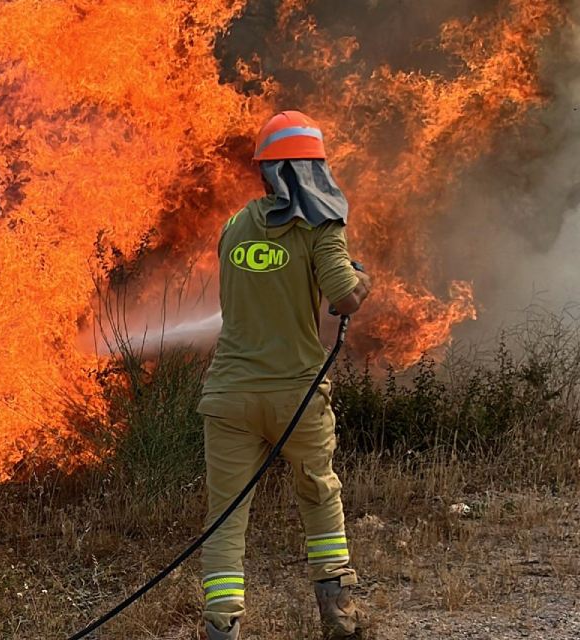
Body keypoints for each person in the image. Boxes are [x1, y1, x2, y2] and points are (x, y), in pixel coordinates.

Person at [198, 111, 374, 640]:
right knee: (319, 496)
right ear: (311, 170)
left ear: (265, 171)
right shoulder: (319, 227)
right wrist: (363, 282)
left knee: (225, 515)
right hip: (295, 393)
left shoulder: (234, 226)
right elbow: (342, 295)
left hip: (228, 395)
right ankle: (339, 616)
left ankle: (222, 626)